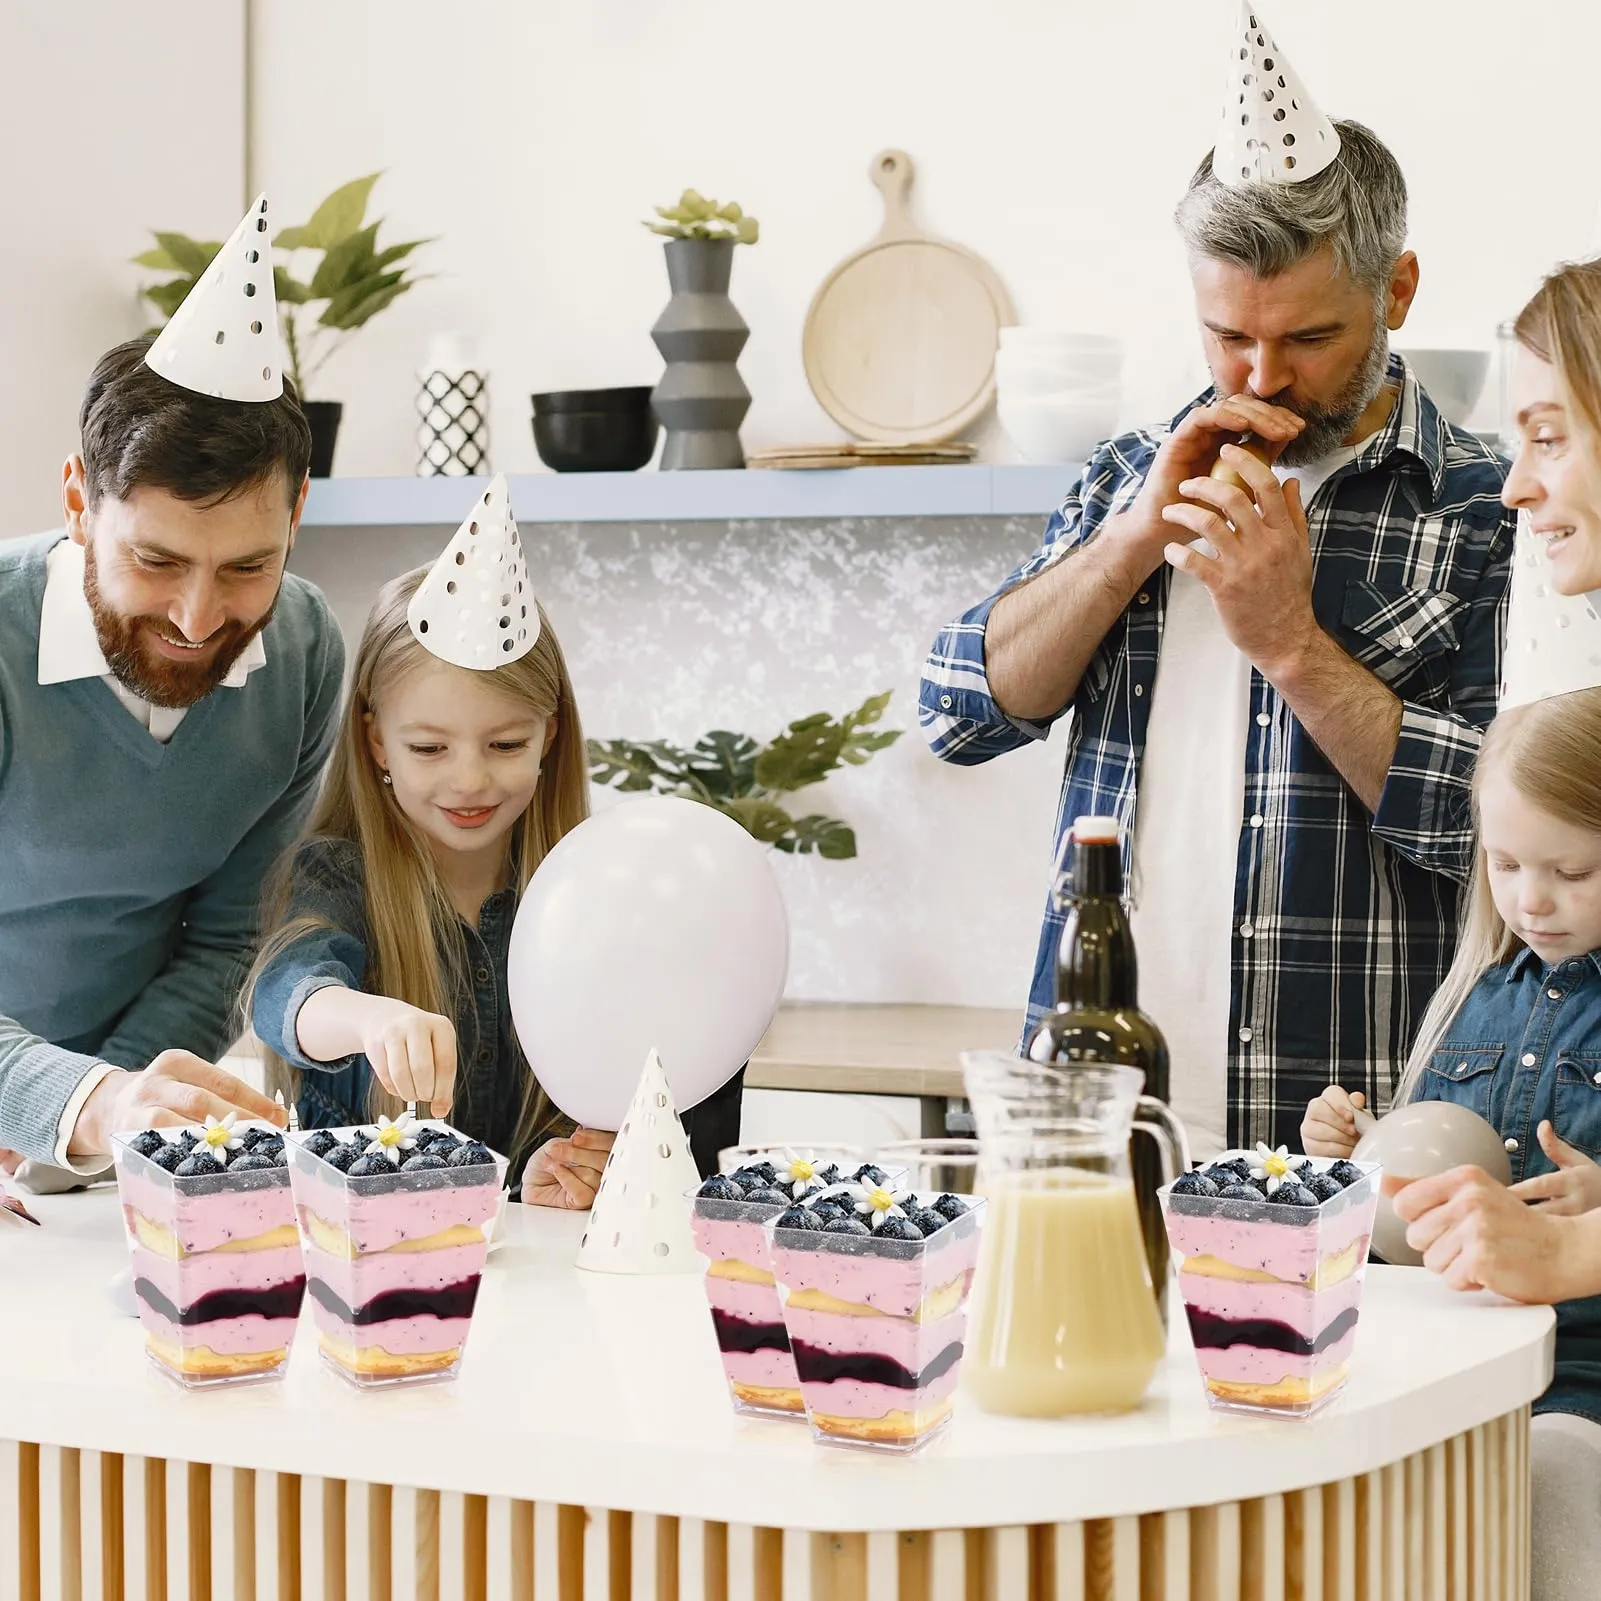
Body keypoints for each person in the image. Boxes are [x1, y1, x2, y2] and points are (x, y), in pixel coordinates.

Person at [921, 99, 1514, 1154]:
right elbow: (956, 714)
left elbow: (1501, 842)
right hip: (1097, 1129)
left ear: (1398, 291)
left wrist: (1287, 640)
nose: (1258, 378)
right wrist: (1129, 541)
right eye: (1226, 335)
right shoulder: (1125, 476)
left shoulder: (1487, 510)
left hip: (1355, 1136)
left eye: (1309, 337)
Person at [246, 551, 742, 1206]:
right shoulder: (340, 876)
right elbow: (284, 997)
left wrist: (552, 1173)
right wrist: (367, 1018)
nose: (470, 779)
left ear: (548, 737)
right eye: (429, 747)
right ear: (376, 744)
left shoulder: (588, 898)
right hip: (363, 1262)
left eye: (505, 744)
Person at [0, 305, 343, 1170]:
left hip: (90, 1146)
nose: (198, 618)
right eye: (156, 561)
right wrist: (70, 1101)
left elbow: (229, 938)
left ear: (297, 512)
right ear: (79, 500)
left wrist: (111, 1114)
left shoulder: (302, 651)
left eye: (247, 567)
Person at [1302, 687, 1601, 1601]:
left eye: (1572, 871)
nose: (1530, 899)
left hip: (1575, 1382)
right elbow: (1411, 1203)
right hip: (1434, 1365)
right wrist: (1354, 1152)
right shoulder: (1480, 997)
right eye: (1505, 864)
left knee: (1549, 1511)